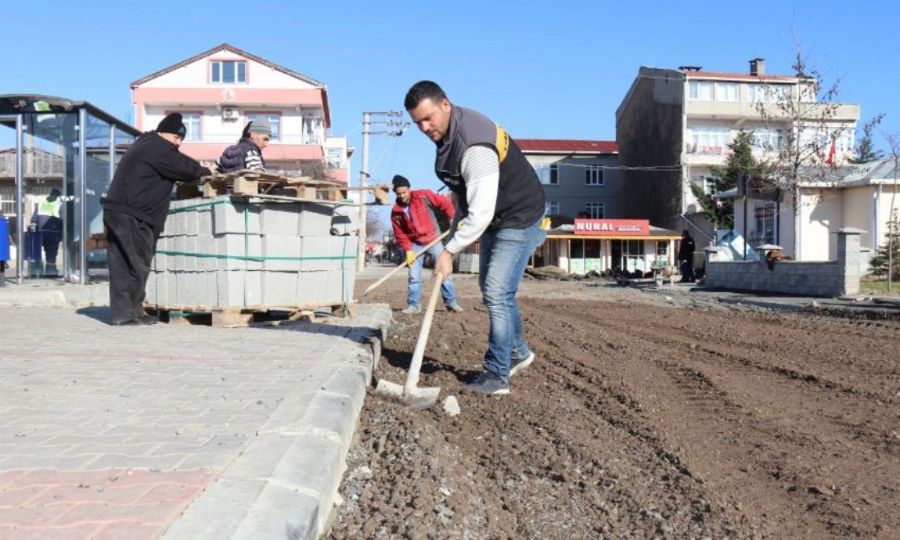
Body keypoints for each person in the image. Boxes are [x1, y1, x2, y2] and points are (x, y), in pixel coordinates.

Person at [405, 80, 547, 396]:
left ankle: (497, 375)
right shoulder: (446, 144)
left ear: (446, 104)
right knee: (494, 290)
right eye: (418, 123)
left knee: (497, 292)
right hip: (495, 214)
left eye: (429, 118)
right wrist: (450, 243)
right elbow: (463, 204)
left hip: (519, 214)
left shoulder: (474, 146)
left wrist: (449, 251)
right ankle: (519, 353)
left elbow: (479, 214)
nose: (425, 127)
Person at [101, 113, 211, 326]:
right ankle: (126, 315)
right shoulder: (158, 148)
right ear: (164, 133)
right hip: (132, 215)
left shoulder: (146, 144)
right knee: (135, 264)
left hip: (120, 211)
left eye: (181, 140)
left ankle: (130, 312)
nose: (178, 143)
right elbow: (184, 168)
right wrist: (205, 171)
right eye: (176, 138)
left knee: (123, 264)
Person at [390, 174, 464, 314]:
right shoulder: (396, 212)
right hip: (415, 244)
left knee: (443, 270)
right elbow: (400, 234)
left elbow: (445, 203)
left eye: (404, 192)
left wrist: (453, 218)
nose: (402, 196)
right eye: (399, 193)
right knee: (413, 275)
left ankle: (451, 303)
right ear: (395, 193)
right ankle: (414, 305)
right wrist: (408, 250)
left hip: (433, 239)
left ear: (409, 189)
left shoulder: (423, 196)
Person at [30, 188, 63, 276]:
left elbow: (34, 219)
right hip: (53, 233)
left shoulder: (40, 204)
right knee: (51, 254)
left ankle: (36, 272)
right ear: (58, 196)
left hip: (40, 233)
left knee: (38, 253)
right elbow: (63, 221)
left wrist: (34, 232)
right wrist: (62, 235)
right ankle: (51, 273)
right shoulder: (59, 204)